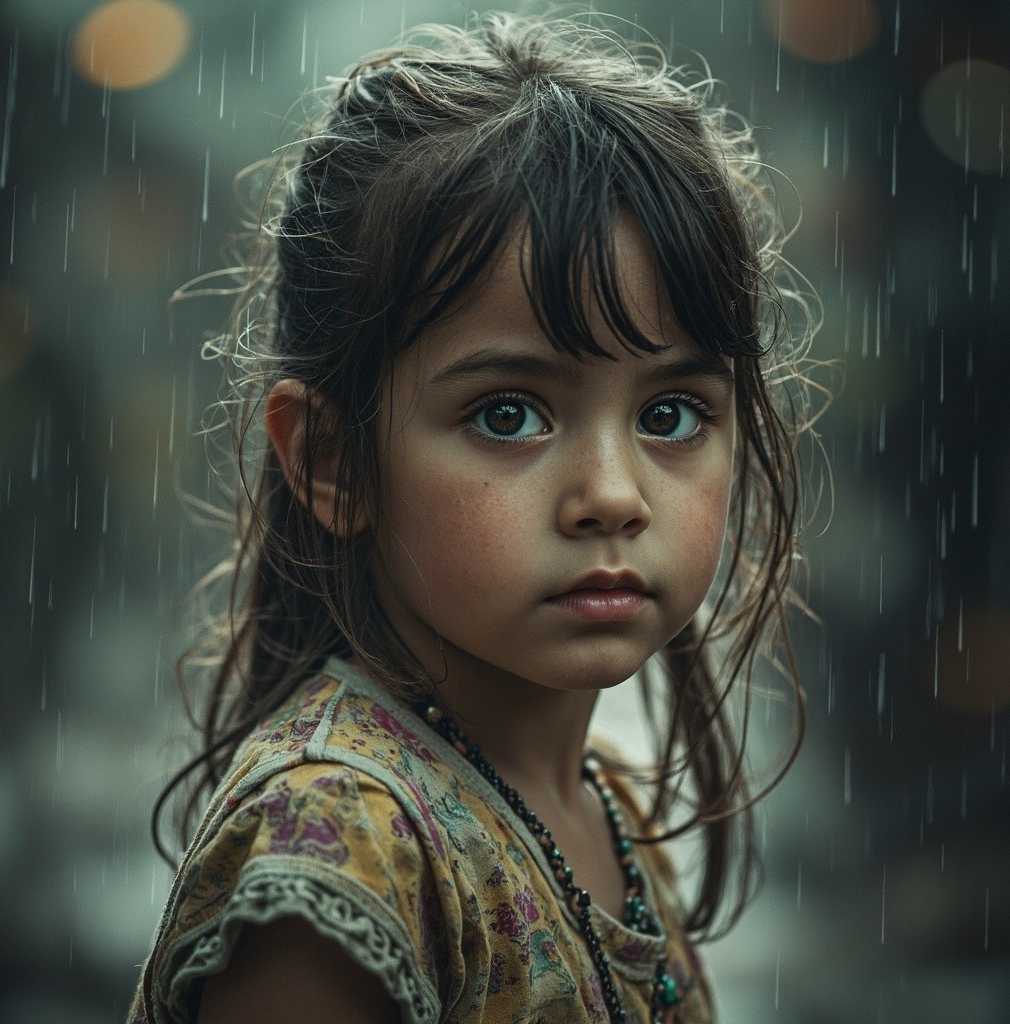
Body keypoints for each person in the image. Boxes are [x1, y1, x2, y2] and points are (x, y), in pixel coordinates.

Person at [128, 12, 818, 1024]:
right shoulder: (340, 845)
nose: (613, 495)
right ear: (330, 460)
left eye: (670, 414)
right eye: (509, 413)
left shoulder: (601, 806)